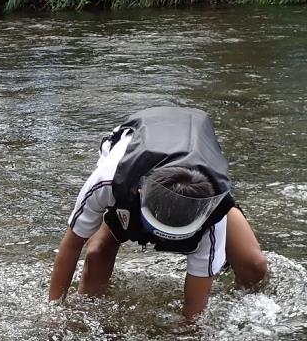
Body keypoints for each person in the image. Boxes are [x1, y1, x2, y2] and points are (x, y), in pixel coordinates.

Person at [48, 106, 269, 318]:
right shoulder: (108, 181)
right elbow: (72, 244)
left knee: (254, 266)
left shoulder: (212, 214)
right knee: (97, 253)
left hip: (195, 181)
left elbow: (194, 312)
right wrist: (55, 312)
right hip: (136, 160)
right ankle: (91, 313)